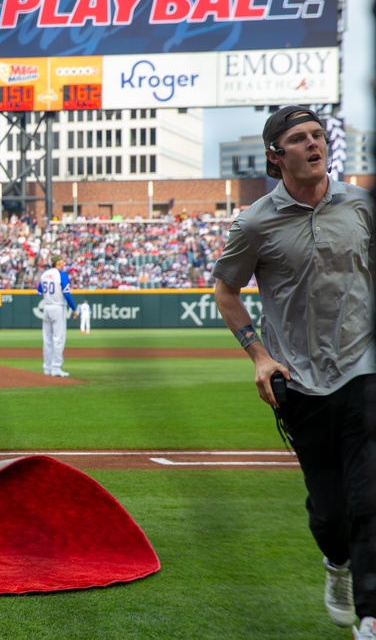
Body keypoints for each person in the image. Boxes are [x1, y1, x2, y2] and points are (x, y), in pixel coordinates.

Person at [212, 105, 376, 639]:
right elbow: (226, 292)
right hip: (300, 382)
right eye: (300, 138)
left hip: (363, 369)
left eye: (318, 135)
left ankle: (371, 617)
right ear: (276, 156)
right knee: (329, 514)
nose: (314, 144)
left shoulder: (360, 205)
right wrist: (259, 355)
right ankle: (336, 564)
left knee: (368, 496)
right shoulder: (255, 221)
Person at [37, 255, 78, 377]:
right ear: (58, 263)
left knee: (47, 339)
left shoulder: (44, 274)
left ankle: (47, 367)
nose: (64, 264)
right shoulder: (62, 275)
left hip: (47, 307)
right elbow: (67, 294)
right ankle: (56, 368)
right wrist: (74, 309)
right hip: (58, 307)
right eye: (62, 262)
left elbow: (39, 290)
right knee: (58, 339)